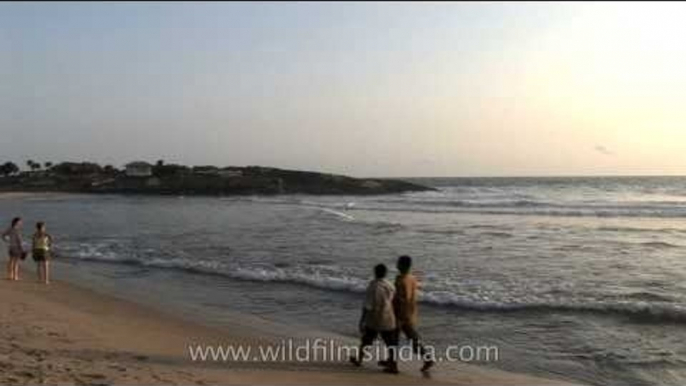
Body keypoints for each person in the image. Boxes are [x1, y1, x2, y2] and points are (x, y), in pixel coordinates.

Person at [350, 264, 399, 374]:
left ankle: (359, 359)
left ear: (375, 272)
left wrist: (362, 320)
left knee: (366, 340)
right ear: (385, 273)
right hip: (389, 317)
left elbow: (368, 306)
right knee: (390, 343)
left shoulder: (373, 286)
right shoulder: (390, 285)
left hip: (375, 318)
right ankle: (393, 365)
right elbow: (393, 300)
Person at [394, 255, 435, 373]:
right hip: (410, 312)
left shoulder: (400, 279)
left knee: (393, 340)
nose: (396, 264)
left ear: (401, 265)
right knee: (413, 340)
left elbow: (401, 299)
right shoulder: (412, 278)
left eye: (398, 263)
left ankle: (392, 365)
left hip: (400, 314)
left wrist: (395, 313)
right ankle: (427, 358)